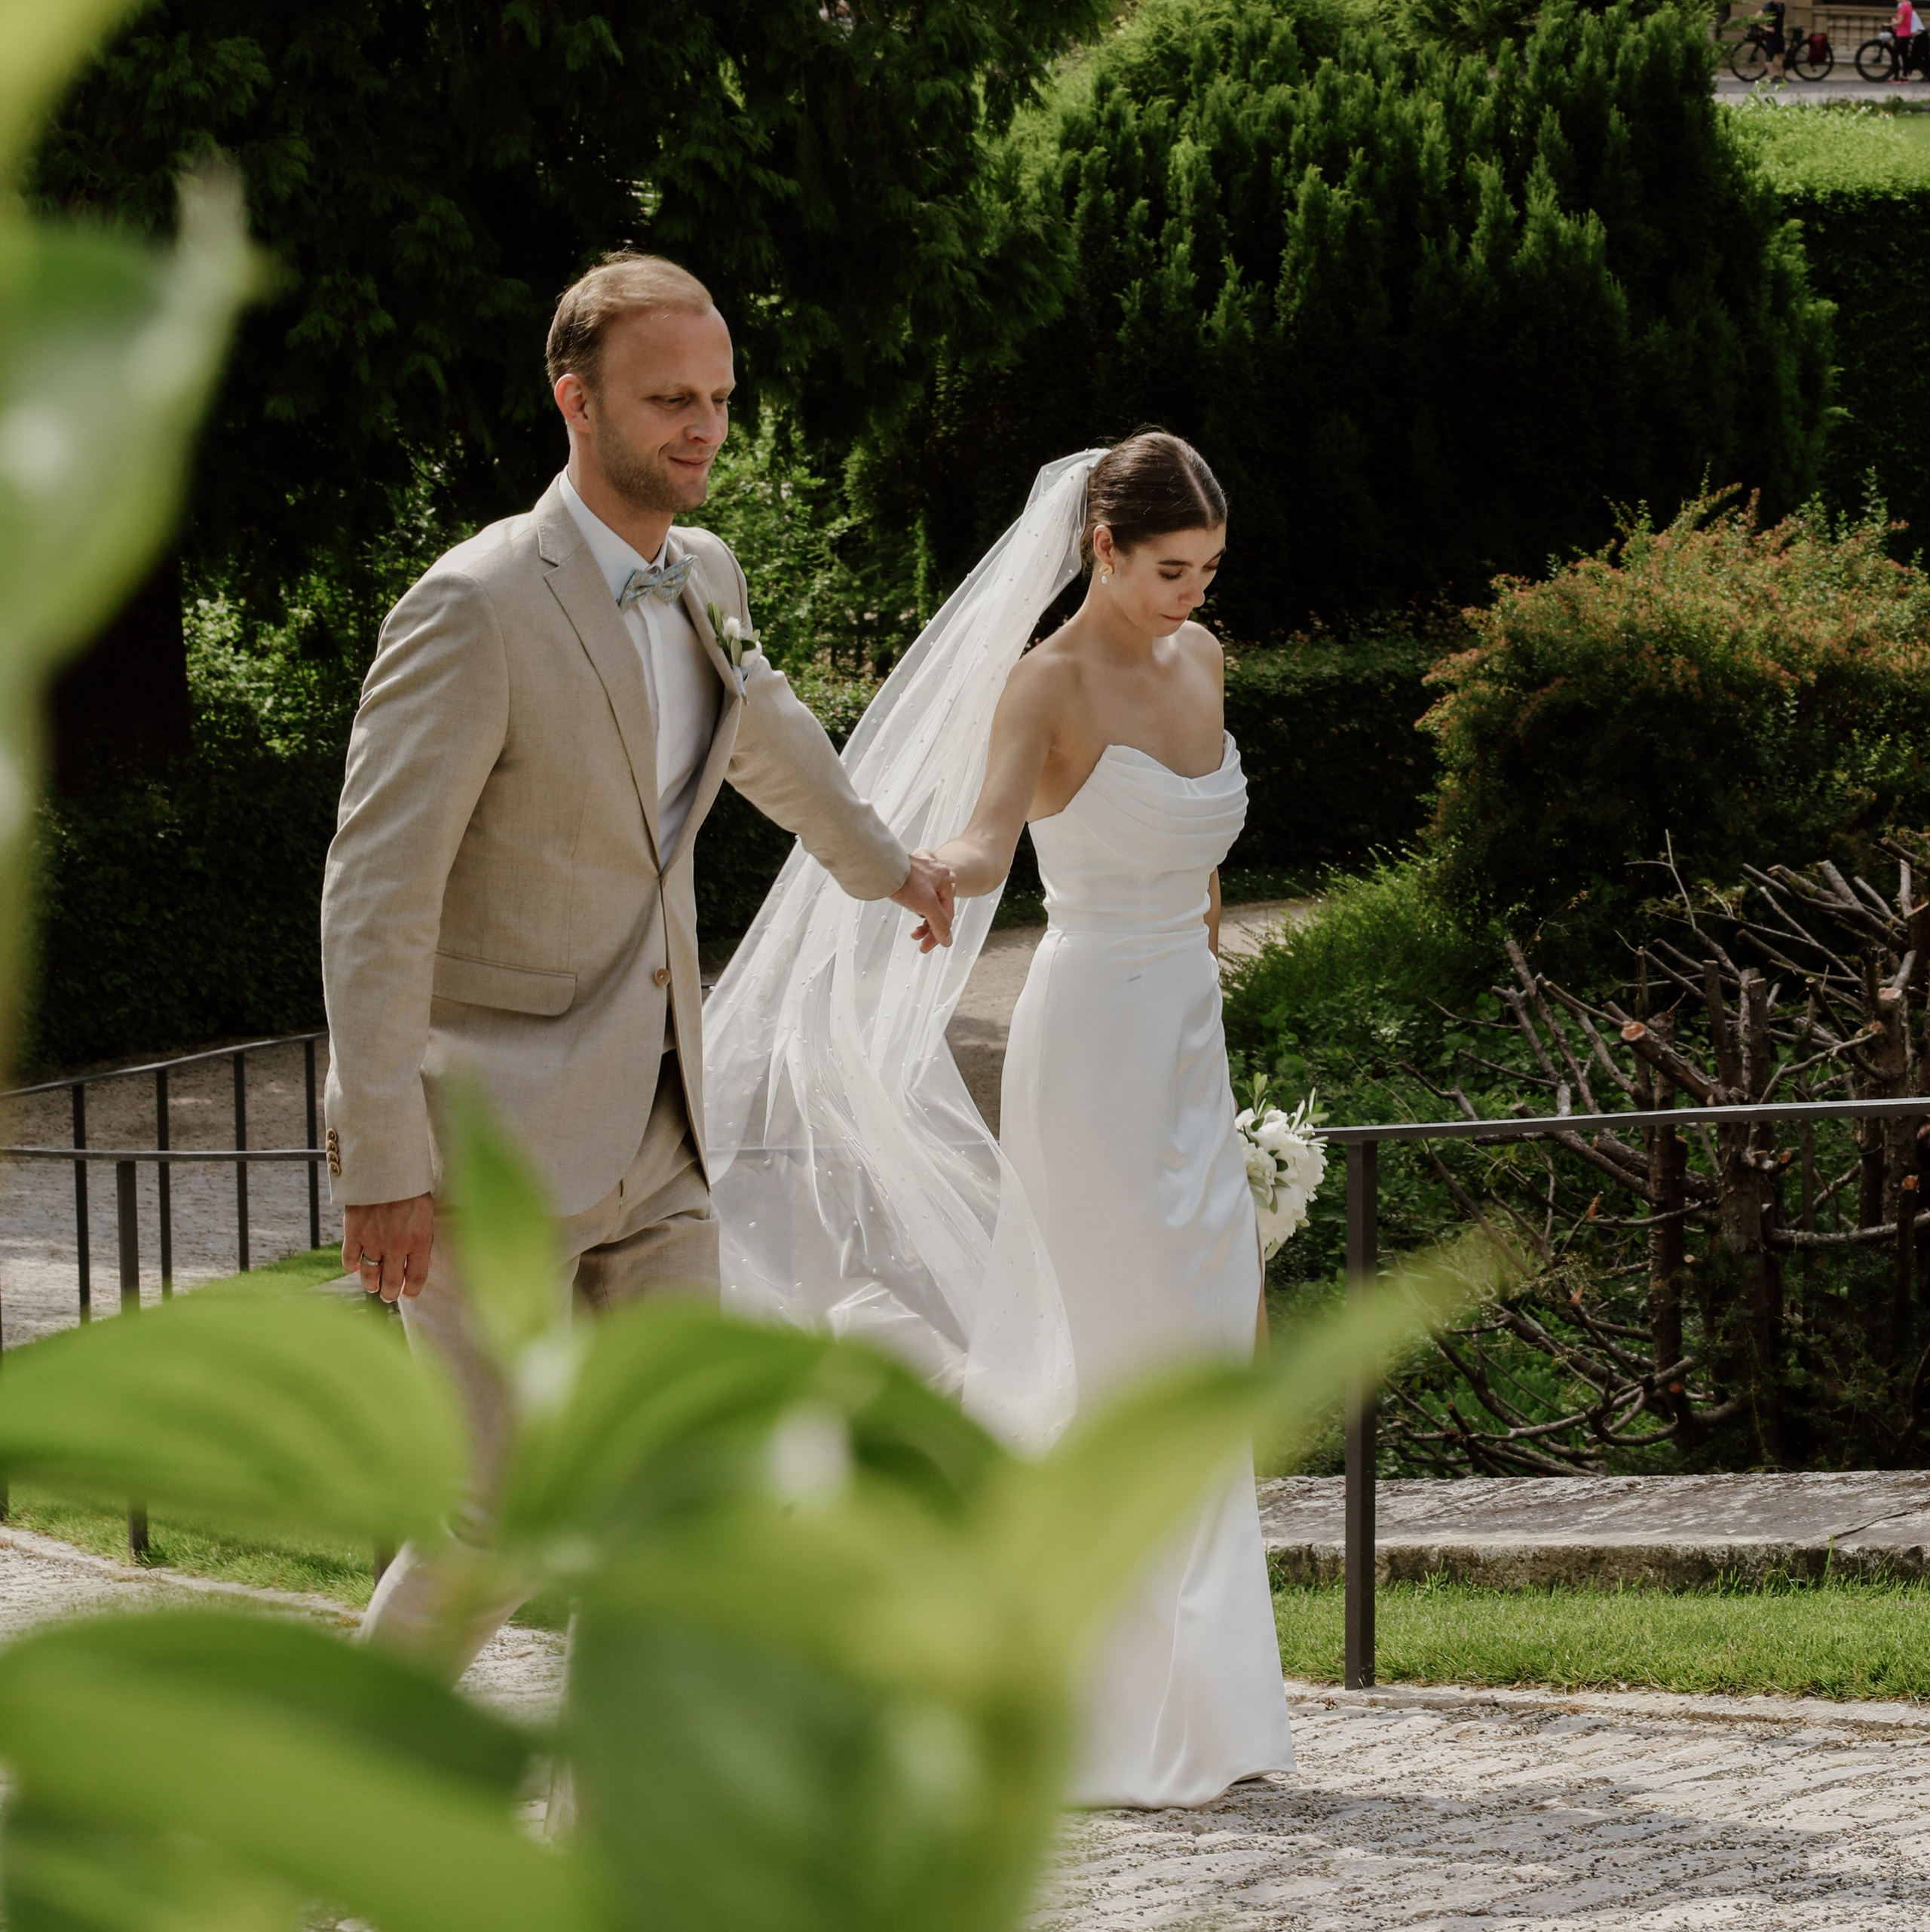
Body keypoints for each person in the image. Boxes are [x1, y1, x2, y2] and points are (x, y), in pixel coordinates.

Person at [320, 250, 955, 1670]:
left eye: (720, 398)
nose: (703, 427)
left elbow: (766, 734)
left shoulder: (706, 574)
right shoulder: (474, 606)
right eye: (669, 398)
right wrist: (381, 1157)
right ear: (575, 401)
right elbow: (376, 896)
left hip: (661, 1127)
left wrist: (890, 865)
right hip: (483, 1138)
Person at [705, 436, 1291, 1808]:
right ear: (1100, 548)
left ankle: (1206, 1709)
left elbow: (1201, 866)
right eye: (1167, 570)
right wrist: (916, 876)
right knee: (1119, 1353)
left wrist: (1209, 1024)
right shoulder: (1046, 683)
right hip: (1086, 1047)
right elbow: (982, 839)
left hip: (1185, 1045)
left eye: (1207, 571)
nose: (1190, 597)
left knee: (1206, 1352)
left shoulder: (1202, 665)